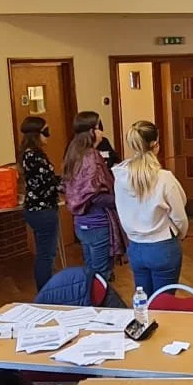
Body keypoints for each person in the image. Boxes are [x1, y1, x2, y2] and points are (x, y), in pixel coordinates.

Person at [114, 120, 189, 293]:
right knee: (164, 304)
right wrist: (181, 234)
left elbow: (121, 209)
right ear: (156, 145)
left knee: (144, 303)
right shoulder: (164, 177)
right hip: (162, 246)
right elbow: (179, 215)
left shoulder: (120, 176)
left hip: (135, 246)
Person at [62, 111, 120, 282]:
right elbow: (94, 195)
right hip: (97, 223)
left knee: (90, 271)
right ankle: (101, 307)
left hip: (82, 223)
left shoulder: (73, 152)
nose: (102, 132)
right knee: (101, 276)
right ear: (92, 131)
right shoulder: (91, 157)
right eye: (99, 128)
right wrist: (123, 201)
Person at [16, 116, 61, 290]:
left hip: (36, 210)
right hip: (43, 211)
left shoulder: (29, 154)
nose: (48, 136)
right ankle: (45, 293)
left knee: (45, 254)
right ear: (37, 134)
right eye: (46, 132)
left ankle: (46, 290)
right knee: (46, 255)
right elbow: (47, 183)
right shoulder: (33, 156)